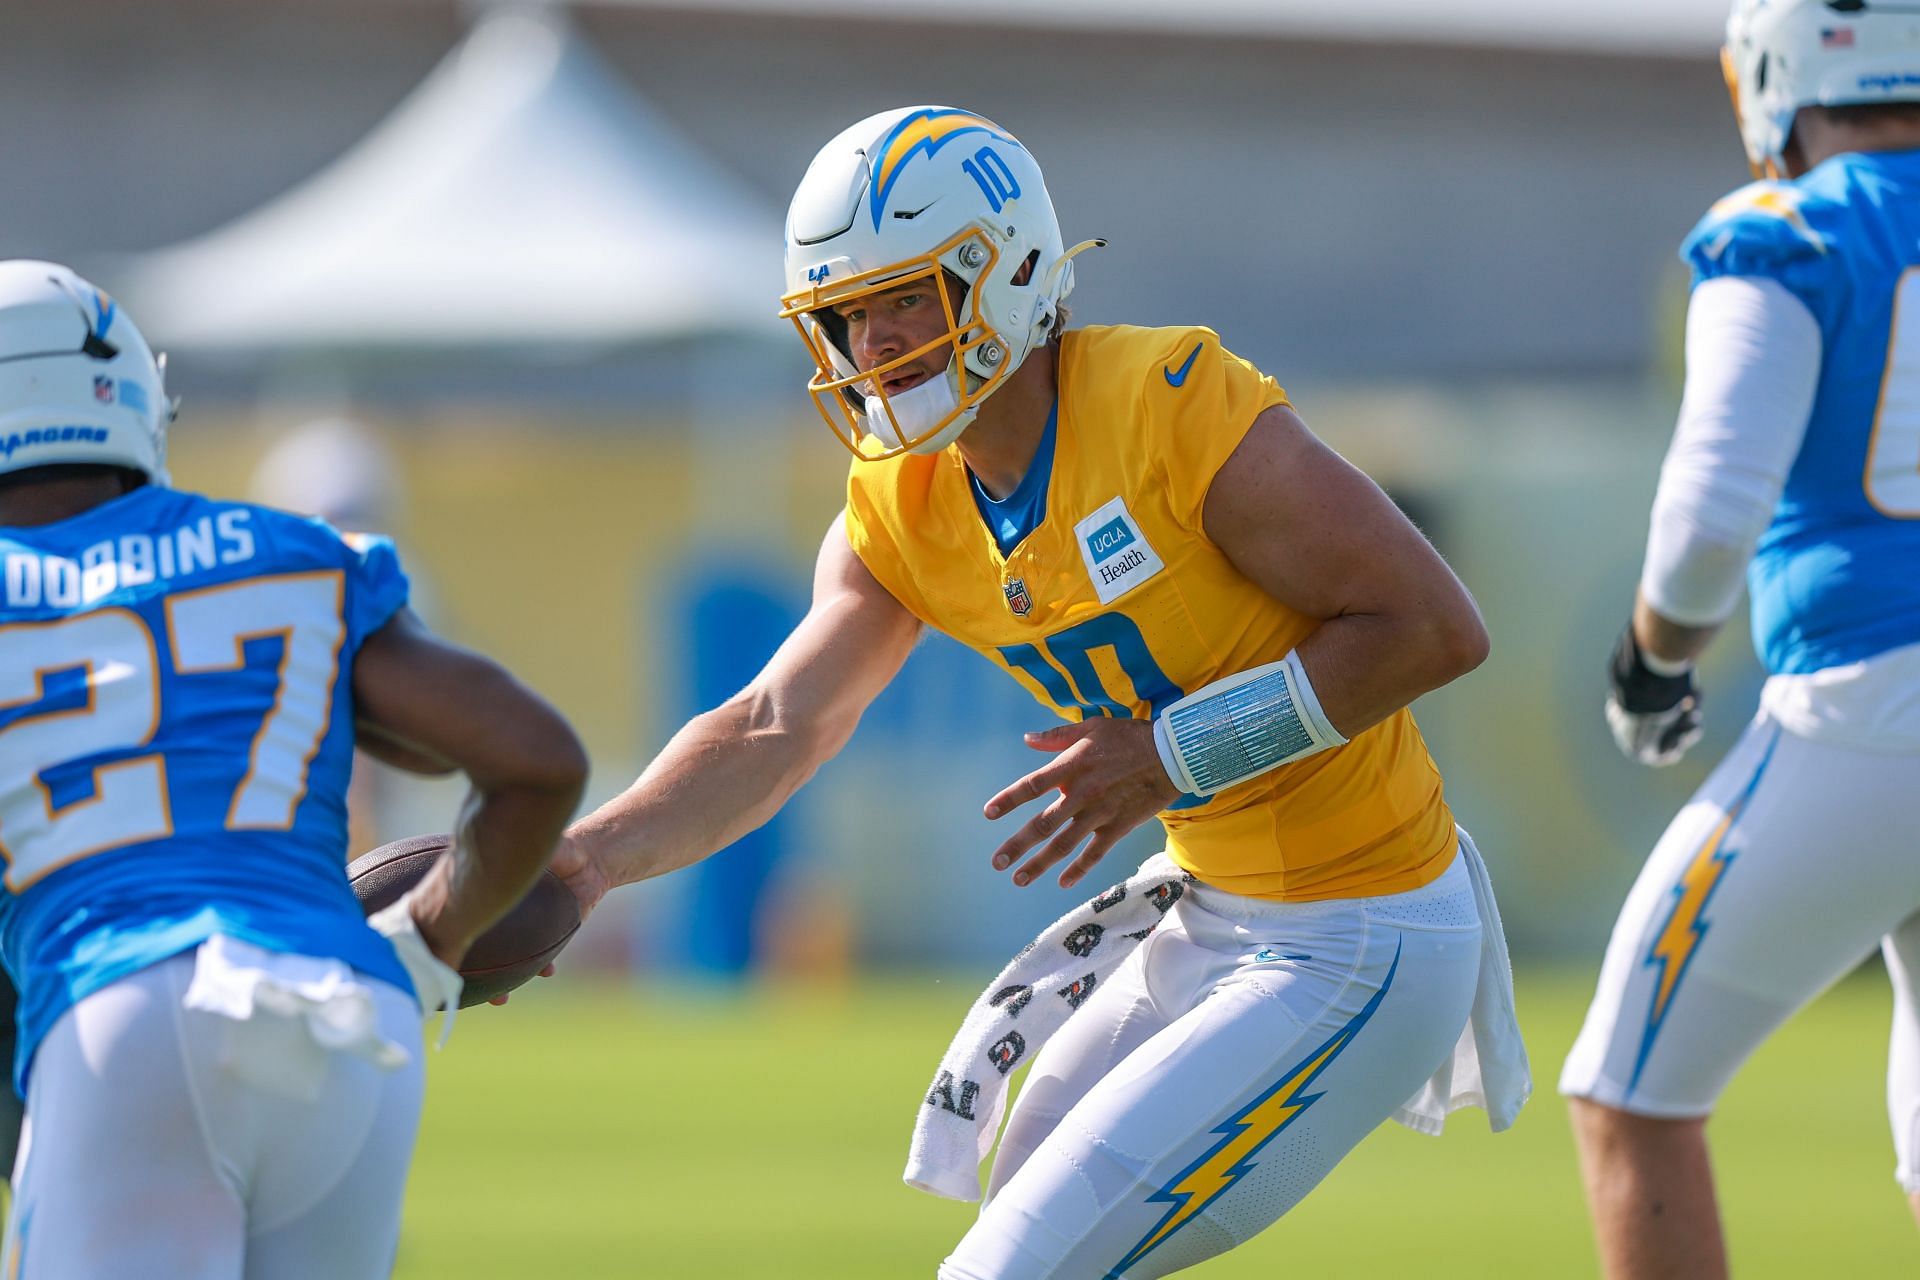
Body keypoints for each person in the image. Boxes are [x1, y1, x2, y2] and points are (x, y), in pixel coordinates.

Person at [553, 106, 1526, 1277]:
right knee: (1027, 1235)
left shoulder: (1170, 407)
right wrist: (584, 863)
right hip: (1217, 914)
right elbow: (775, 722)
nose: (875, 345)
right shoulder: (903, 500)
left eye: (906, 297)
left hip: (1361, 928)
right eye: (847, 316)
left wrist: (1171, 752)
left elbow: (1434, 627)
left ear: (1005, 267)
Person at [0, 260, 587, 1277]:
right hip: (349, 1030)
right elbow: (536, 758)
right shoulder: (280, 549)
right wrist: (428, 942)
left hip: (126, 1011)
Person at [1561, 4, 1920, 1276]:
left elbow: (1715, 513)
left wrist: (1653, 660)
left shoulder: (1789, 231)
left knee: (1626, 1087)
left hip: (1870, 715)